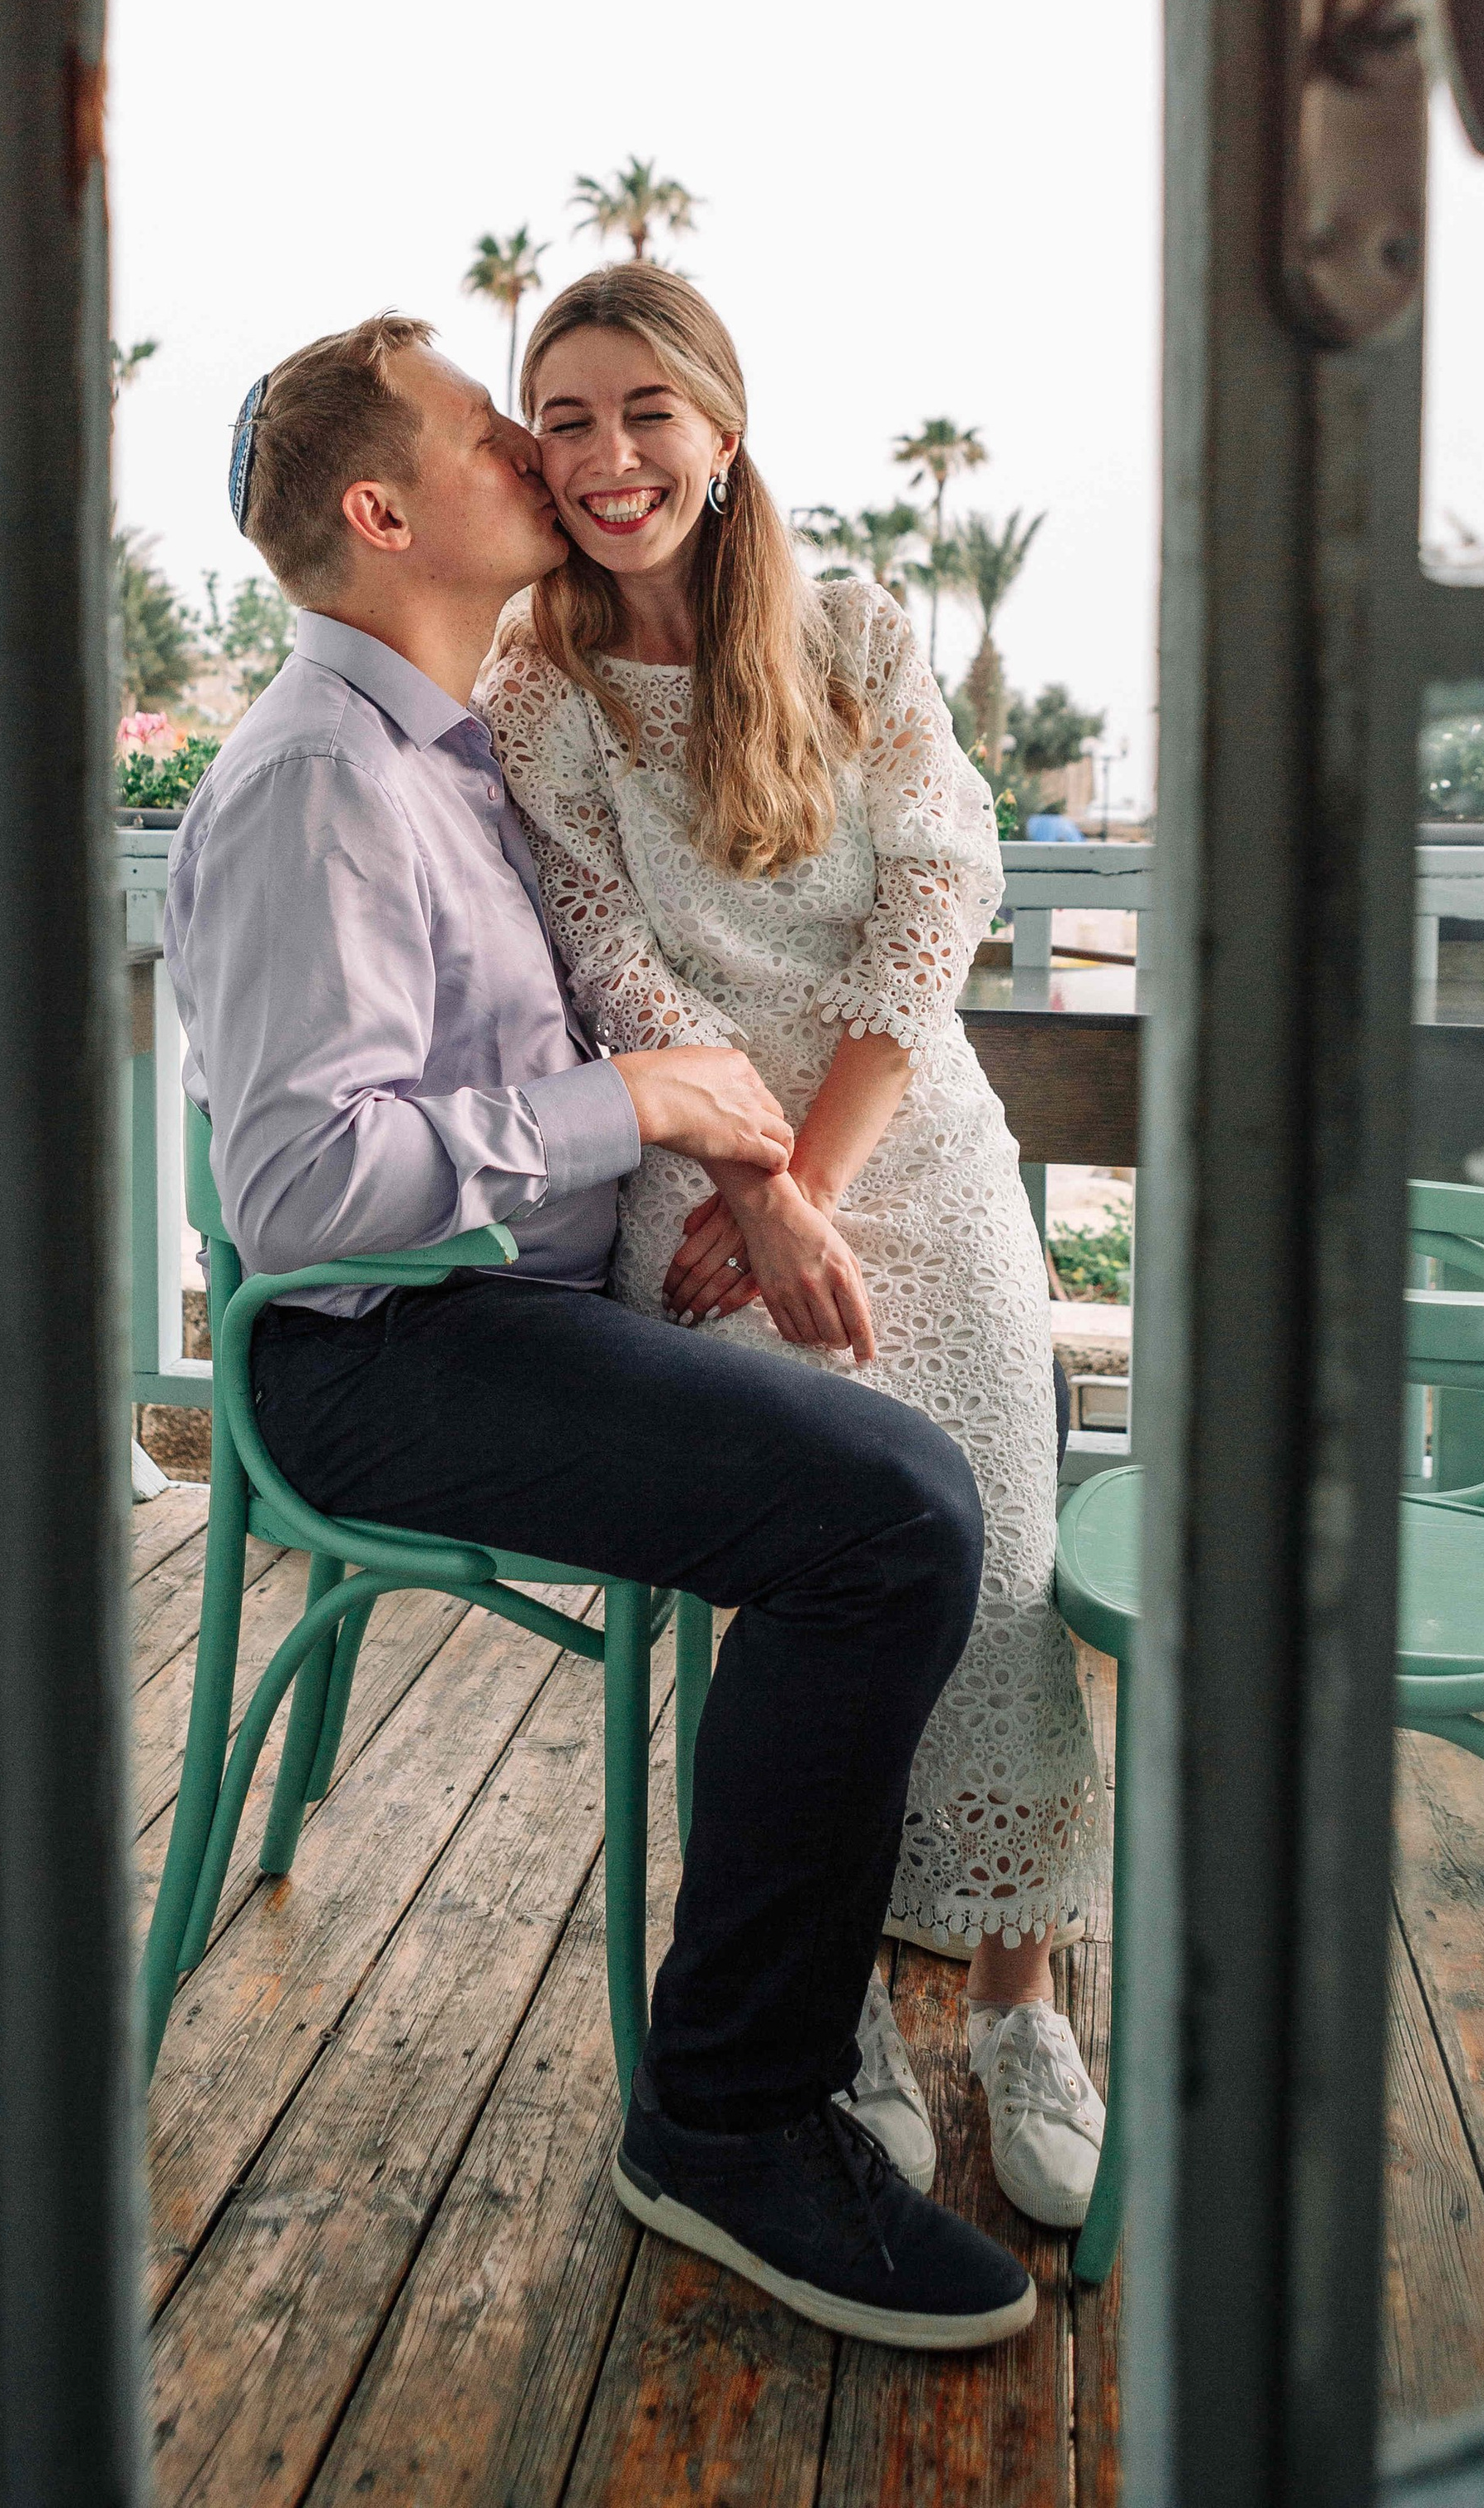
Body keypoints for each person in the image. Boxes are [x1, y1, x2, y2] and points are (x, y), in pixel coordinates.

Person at [164, 311, 1036, 2350]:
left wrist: (719, 1142)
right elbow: (299, 1197)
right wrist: (632, 1105)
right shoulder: (317, 781)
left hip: (504, 1308)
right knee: (889, 1516)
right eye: (495, 430)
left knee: (907, 1485)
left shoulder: (448, 748)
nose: (537, 456)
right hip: (380, 1351)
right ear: (385, 515)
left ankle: (859, 2027)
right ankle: (731, 2114)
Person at [476, 265, 1105, 2229]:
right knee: (815, 1546)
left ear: (722, 433)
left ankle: (1016, 1991)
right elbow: (616, 964)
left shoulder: (853, 634)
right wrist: (752, 1193)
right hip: (700, 1182)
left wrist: (809, 1185)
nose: (605, 457)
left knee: (1002, 1543)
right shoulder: (537, 690)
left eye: (642, 411)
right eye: (562, 419)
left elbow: (931, 905)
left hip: (907, 1147)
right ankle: (818, 2000)